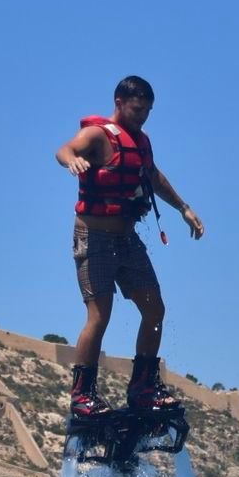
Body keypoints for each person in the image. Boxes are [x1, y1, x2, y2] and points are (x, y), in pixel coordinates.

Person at [54, 75, 205, 420]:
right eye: (138, 109)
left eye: (148, 111)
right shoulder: (97, 135)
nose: (142, 117)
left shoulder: (142, 143)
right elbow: (65, 149)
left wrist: (183, 207)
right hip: (93, 237)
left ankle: (143, 388)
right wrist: (71, 160)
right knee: (99, 315)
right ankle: (82, 394)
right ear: (119, 103)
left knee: (154, 310)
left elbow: (152, 176)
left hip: (127, 239)